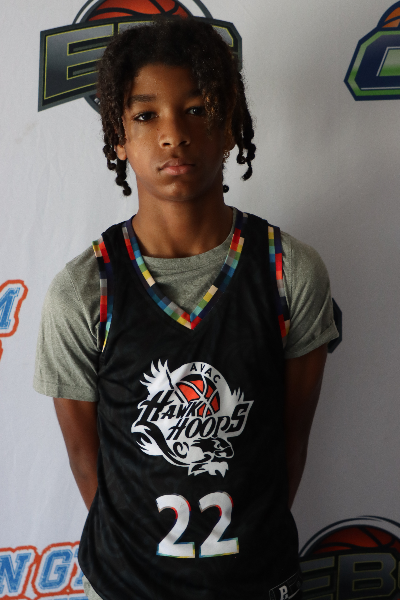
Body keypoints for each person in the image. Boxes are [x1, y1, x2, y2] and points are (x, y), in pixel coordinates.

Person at [34, 17, 338, 600]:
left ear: (229, 127)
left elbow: (291, 440)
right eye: (146, 116)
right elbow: (83, 456)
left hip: (256, 581)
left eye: (197, 109)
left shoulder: (288, 271)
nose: (173, 134)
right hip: (126, 585)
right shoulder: (84, 289)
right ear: (118, 137)